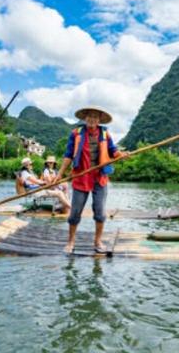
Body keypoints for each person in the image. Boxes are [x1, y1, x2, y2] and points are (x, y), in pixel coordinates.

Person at [55, 106, 128, 254]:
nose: (92, 119)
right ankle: (71, 242)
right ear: (85, 117)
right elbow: (69, 155)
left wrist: (120, 154)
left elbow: (113, 151)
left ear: (99, 119)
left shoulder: (105, 134)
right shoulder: (76, 133)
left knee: (100, 212)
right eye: (89, 116)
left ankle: (98, 242)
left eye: (95, 116)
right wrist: (60, 174)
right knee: (75, 212)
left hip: (99, 178)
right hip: (81, 177)